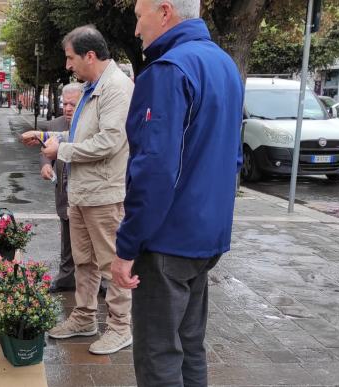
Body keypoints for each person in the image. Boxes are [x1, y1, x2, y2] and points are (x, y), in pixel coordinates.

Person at [112, 1, 243, 385]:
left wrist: (127, 246)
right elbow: (233, 158)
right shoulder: (224, 65)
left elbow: (154, 170)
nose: (137, 30)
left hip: (166, 239)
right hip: (207, 235)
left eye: (139, 17)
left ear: (164, 12)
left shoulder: (168, 70)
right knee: (189, 345)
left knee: (158, 353)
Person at [40, 25, 134, 355]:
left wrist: (61, 151)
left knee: (112, 265)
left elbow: (110, 141)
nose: (68, 65)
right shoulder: (93, 86)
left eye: (70, 58)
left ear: (89, 56)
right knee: (84, 263)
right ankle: (84, 318)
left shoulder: (117, 88)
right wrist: (55, 140)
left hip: (104, 195)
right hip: (82, 193)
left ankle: (121, 327)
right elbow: (85, 136)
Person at [21, 83, 83, 293]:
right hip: (63, 189)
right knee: (66, 233)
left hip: (85, 188)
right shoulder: (54, 125)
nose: (67, 108)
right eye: (65, 103)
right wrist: (46, 164)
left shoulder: (88, 124)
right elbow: (43, 151)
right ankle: (66, 277)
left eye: (72, 104)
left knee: (90, 239)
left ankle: (101, 281)